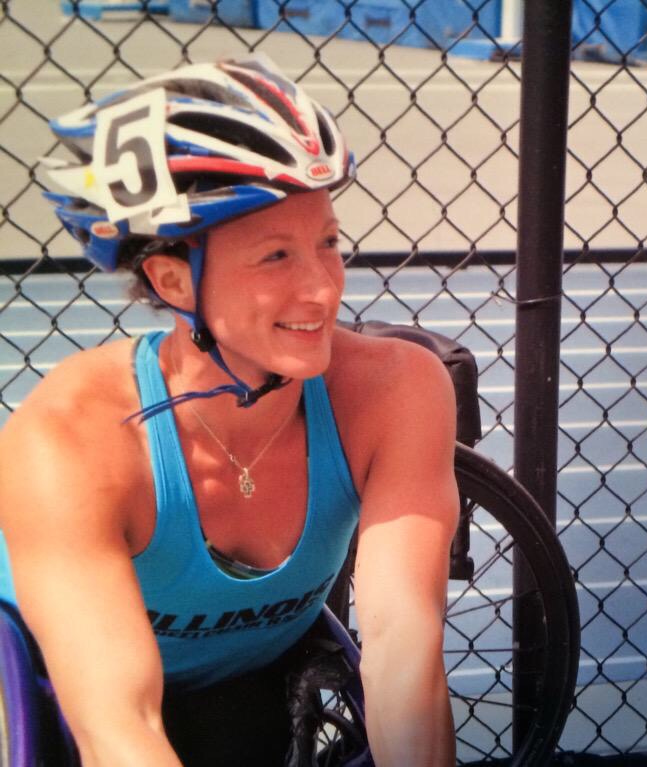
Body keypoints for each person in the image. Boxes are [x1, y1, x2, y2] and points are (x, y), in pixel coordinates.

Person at [0, 54, 457, 766]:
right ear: (173, 280)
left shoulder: (398, 389)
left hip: (244, 689)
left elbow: (405, 649)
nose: (323, 289)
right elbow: (119, 726)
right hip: (53, 690)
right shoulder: (70, 438)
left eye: (328, 243)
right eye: (276, 257)